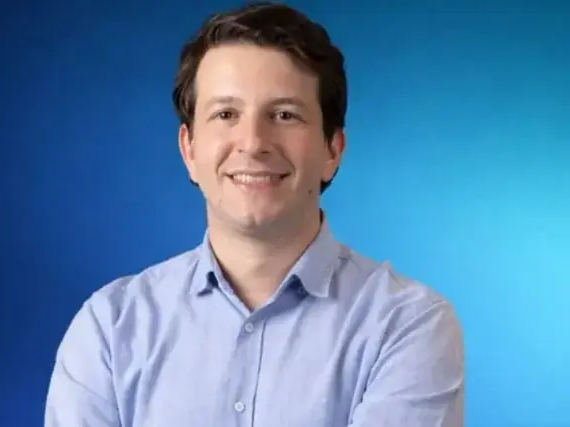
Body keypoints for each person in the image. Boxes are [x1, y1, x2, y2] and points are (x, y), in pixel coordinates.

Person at [44, 2, 464, 426]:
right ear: (189, 149)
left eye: (284, 115)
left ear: (332, 150)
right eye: (226, 114)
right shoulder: (110, 328)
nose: (253, 142)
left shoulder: (407, 325)